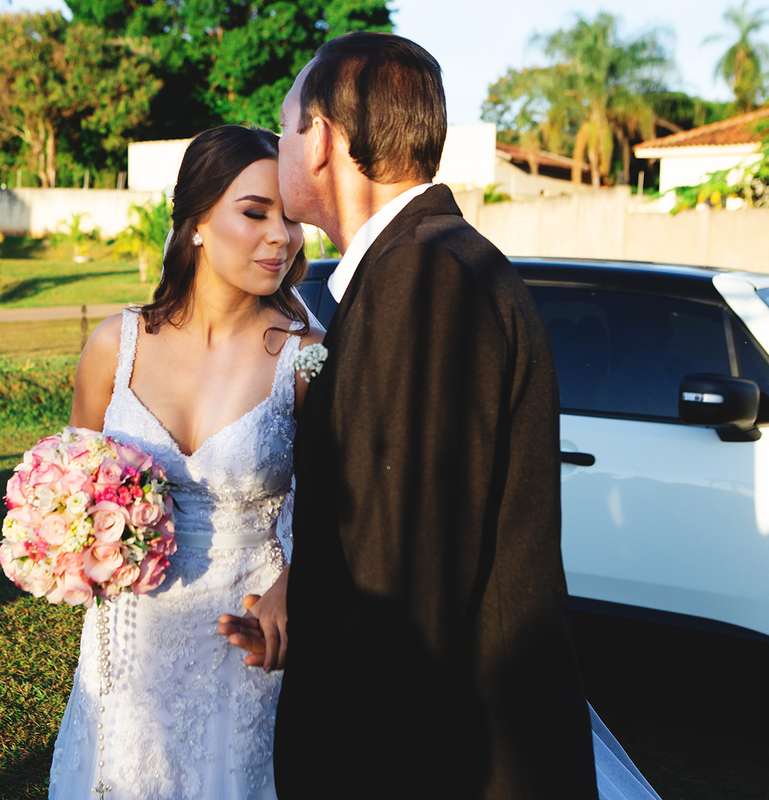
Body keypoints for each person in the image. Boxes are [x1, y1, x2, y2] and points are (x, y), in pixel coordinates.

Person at [218, 31, 609, 799]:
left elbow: (406, 577)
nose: (282, 144)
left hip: (438, 760)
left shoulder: (421, 277)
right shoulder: (426, 264)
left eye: (287, 124)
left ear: (323, 140)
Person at [46, 124, 324, 799]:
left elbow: (339, 507)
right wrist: (64, 543)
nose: (279, 237)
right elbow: (68, 486)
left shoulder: (307, 356)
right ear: (196, 222)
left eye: (289, 219)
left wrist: (298, 583)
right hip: (130, 628)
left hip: (247, 632)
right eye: (254, 213)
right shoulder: (116, 345)